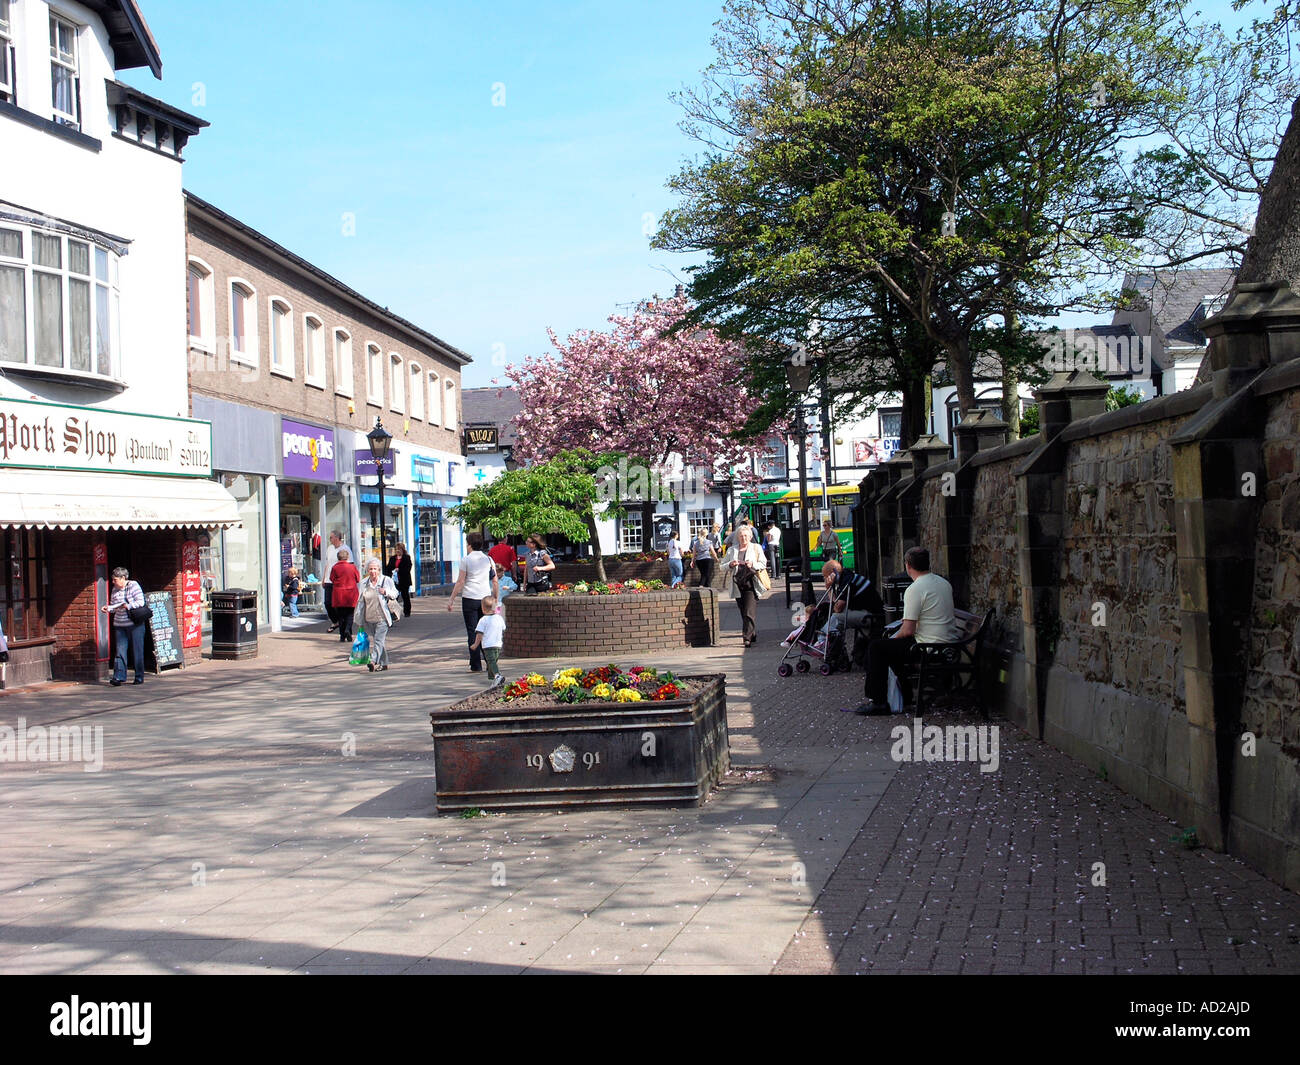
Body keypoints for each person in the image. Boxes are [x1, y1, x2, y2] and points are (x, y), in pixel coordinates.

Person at [856, 546, 960, 715]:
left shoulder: (915, 589)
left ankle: (878, 701)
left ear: (908, 566)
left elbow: (908, 630)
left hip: (929, 646)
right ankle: (905, 694)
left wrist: (893, 638)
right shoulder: (944, 583)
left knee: (877, 648)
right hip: (948, 642)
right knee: (890, 647)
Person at [447, 532, 500, 672]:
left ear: (469, 544)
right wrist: (495, 598)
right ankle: (490, 661)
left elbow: (460, 581)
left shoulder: (466, 560)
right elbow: (495, 581)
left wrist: (451, 599)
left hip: (469, 598)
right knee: (486, 631)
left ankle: (476, 664)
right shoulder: (489, 559)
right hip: (485, 598)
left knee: (473, 631)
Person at [101, 567, 147, 686]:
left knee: (137, 650)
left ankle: (139, 676)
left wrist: (128, 606)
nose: (113, 582)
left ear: (123, 578)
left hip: (134, 624)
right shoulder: (114, 589)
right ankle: (119, 677)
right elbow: (114, 606)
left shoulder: (133, 585)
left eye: (115, 579)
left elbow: (141, 602)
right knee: (120, 651)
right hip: (120, 624)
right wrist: (108, 608)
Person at [722, 524, 767, 647]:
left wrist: (752, 564)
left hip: (751, 584)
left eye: (746, 536)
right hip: (738, 584)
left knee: (748, 612)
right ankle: (752, 633)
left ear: (750, 536)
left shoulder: (756, 547)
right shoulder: (732, 550)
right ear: (738, 537)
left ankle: (746, 638)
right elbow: (722, 565)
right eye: (741, 536)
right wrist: (731, 564)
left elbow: (763, 563)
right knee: (744, 612)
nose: (743, 538)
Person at [354, 559, 400, 672]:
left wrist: (386, 592)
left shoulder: (386, 580)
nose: (373, 571)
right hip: (369, 617)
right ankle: (384, 664)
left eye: (375, 569)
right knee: (379, 640)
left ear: (379, 570)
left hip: (382, 617)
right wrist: (359, 618)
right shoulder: (364, 583)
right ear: (367, 570)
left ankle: (373, 661)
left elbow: (395, 593)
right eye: (370, 569)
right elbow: (360, 602)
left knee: (378, 640)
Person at [471, 594, 507, 688]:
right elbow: (503, 628)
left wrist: (475, 644)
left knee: (491, 662)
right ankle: (494, 680)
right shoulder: (499, 618)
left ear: (483, 608)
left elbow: (479, 634)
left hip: (488, 645)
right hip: (498, 645)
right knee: (493, 661)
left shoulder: (483, 620)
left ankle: (497, 676)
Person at [329, 548, 361, 643]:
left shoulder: (335, 567)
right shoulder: (352, 567)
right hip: (351, 593)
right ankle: (348, 630)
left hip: (339, 594)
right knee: (350, 614)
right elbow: (358, 579)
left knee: (341, 616)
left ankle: (342, 636)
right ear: (347, 557)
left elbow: (332, 579)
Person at [323, 530, 351, 633]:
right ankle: (335, 621)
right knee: (327, 603)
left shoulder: (345, 549)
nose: (330, 540)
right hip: (328, 580)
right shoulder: (329, 549)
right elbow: (327, 564)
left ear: (337, 538)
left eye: (331, 537)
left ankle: (342, 623)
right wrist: (324, 578)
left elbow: (349, 565)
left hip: (339, 581)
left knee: (338, 605)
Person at [385, 542, 414, 618]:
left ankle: (407, 612)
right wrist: (392, 571)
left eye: (399, 549)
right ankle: (394, 612)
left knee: (405, 596)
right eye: (396, 549)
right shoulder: (392, 558)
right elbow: (388, 568)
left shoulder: (406, 558)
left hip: (404, 580)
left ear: (403, 550)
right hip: (394, 580)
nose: (398, 551)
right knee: (394, 597)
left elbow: (408, 568)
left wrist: (399, 570)